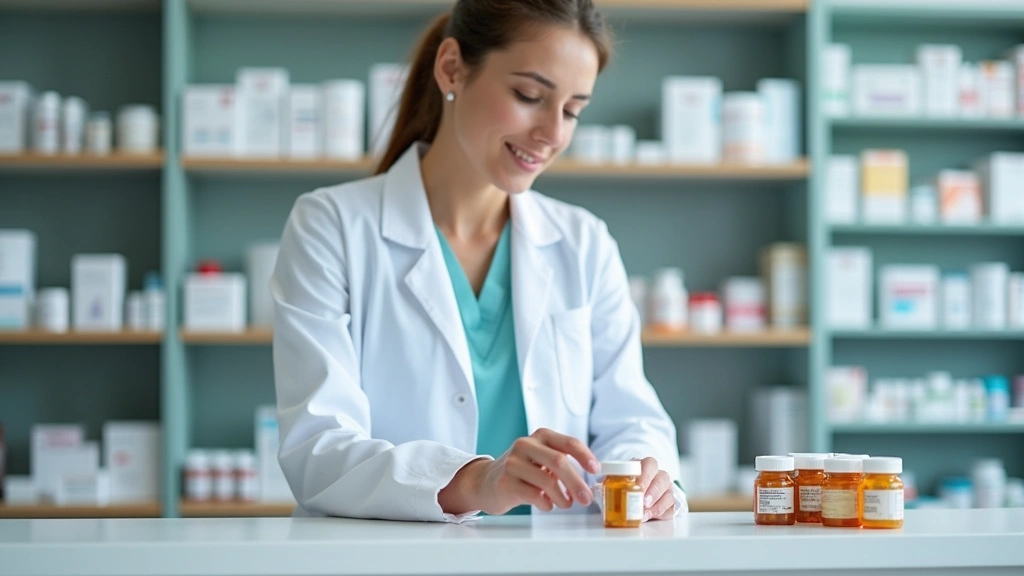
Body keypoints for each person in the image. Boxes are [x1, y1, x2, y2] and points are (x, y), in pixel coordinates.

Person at [271, 0, 685, 523]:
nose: (553, 134)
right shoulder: (331, 226)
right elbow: (318, 450)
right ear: (452, 69)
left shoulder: (583, 242)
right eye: (529, 95)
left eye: (574, 110)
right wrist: (477, 481)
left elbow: (633, 419)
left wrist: (649, 475)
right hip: (400, 559)